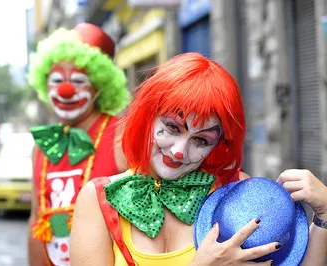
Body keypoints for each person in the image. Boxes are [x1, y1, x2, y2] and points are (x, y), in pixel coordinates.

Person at [70, 53, 327, 265]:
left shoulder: (235, 192)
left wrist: (325, 214)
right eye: (172, 128)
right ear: (148, 116)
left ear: (219, 144)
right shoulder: (100, 199)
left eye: (201, 140)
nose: (180, 151)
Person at [27, 23, 131, 266]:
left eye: (78, 80)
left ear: (100, 85)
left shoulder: (121, 134)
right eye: (56, 80)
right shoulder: (42, 146)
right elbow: (35, 220)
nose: (65, 90)